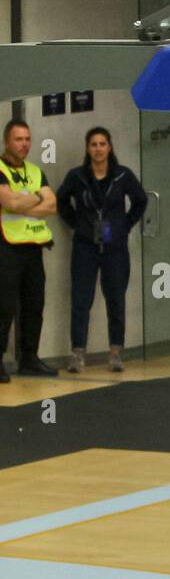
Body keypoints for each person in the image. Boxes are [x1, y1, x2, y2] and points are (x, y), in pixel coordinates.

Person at [55, 127, 148, 374]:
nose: (98, 149)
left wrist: (124, 225)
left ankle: (116, 353)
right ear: (87, 148)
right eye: (94, 144)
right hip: (85, 246)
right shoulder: (77, 176)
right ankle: (77, 354)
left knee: (115, 298)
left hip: (114, 247)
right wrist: (77, 224)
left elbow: (140, 201)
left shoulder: (122, 175)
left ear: (110, 147)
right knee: (81, 300)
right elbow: (60, 201)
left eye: (102, 144)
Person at [0, 120, 58, 383]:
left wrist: (24, 201)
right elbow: (9, 201)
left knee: (35, 305)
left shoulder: (35, 171)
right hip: (7, 248)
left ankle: (29, 359)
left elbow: (52, 205)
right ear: (6, 142)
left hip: (33, 248)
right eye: (18, 139)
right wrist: (36, 197)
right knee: (4, 307)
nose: (24, 145)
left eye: (27, 139)